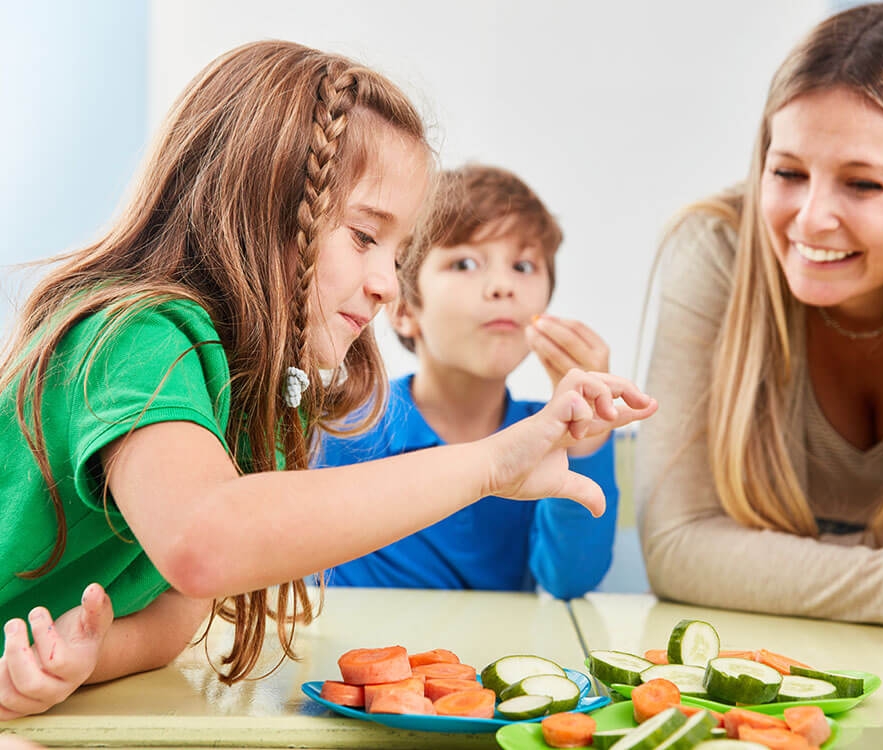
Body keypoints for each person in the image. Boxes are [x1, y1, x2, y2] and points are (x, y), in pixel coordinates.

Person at [0, 41, 657, 719]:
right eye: (366, 237)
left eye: (399, 254)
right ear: (263, 202)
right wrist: (488, 465)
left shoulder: (246, 387)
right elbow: (204, 545)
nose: (384, 285)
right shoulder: (135, 337)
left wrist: (80, 657)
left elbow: (173, 614)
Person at [636, 2, 883, 658]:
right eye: (788, 173)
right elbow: (678, 546)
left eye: (862, 184)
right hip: (768, 668)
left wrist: (779, 569)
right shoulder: (717, 251)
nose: (811, 220)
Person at [317, 164, 617, 599]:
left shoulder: (552, 436)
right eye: (465, 263)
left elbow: (569, 580)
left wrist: (585, 436)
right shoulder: (340, 427)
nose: (501, 286)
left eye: (523, 265)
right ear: (403, 309)